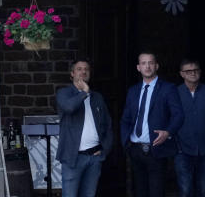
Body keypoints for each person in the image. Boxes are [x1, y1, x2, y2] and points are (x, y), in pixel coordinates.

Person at [119, 51, 183, 197]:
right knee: (140, 192)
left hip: (156, 148)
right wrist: (126, 143)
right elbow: (125, 119)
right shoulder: (133, 91)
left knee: (156, 192)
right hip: (135, 149)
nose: (147, 66)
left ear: (156, 66)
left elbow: (178, 115)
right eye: (143, 63)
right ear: (138, 67)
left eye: (150, 63)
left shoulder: (168, 89)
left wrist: (168, 132)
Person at [55, 59, 113, 197]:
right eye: (79, 69)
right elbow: (69, 107)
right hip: (73, 157)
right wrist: (83, 93)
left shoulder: (97, 97)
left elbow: (108, 125)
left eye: (86, 69)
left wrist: (105, 149)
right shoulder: (64, 93)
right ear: (72, 73)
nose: (83, 71)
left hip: (94, 157)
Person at [174, 58, 205, 197]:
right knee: (185, 190)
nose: (193, 73)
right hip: (182, 150)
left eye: (196, 70)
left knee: (204, 190)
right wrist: (177, 146)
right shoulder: (175, 93)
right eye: (188, 71)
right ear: (182, 74)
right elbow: (169, 121)